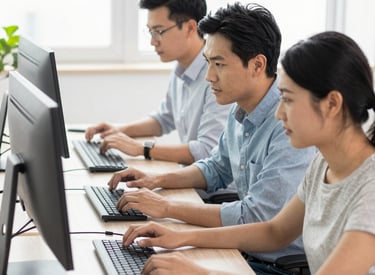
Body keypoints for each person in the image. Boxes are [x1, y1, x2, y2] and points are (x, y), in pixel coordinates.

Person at [121, 31, 375, 274]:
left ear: (331, 104)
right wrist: (181, 237)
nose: (278, 113)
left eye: (287, 99)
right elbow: (274, 232)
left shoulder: (370, 189)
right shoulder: (323, 165)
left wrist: (203, 273)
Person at [108, 2, 316, 269]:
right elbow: (217, 167)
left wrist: (169, 209)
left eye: (219, 64)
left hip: (276, 266)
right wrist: (156, 180)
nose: (209, 76)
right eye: (208, 63)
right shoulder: (239, 107)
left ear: (257, 65)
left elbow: (256, 217)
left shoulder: (287, 125)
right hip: (243, 250)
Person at [85, 0, 231, 165]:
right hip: (192, 178)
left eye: (159, 31)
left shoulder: (216, 77)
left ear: (190, 27)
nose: (152, 41)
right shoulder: (181, 67)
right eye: (150, 31)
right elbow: (164, 119)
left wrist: (142, 149)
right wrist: (119, 130)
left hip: (216, 190)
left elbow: (207, 150)